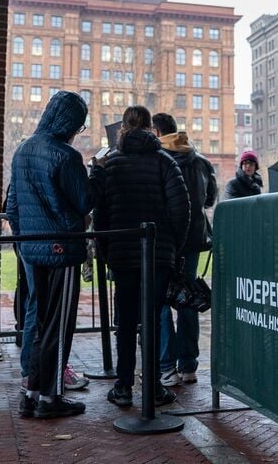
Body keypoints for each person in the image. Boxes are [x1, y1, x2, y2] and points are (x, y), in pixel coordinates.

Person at [5, 91, 96, 419]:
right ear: (70, 122)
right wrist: (95, 174)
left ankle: (31, 394)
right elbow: (85, 202)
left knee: (40, 322)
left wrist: (22, 239)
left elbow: (11, 204)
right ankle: (50, 398)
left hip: (31, 248)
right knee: (59, 326)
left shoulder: (23, 150)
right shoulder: (66, 157)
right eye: (78, 125)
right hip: (62, 249)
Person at [93, 106, 190, 408]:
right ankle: (153, 388)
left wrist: (108, 251)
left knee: (125, 322)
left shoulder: (112, 164)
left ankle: (123, 386)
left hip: (122, 255)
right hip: (158, 255)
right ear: (150, 128)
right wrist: (173, 247)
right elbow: (181, 210)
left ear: (122, 128)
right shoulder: (164, 162)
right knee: (153, 321)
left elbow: (102, 214)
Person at [151, 113, 216, 387]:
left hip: (166, 240)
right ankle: (189, 365)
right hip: (194, 240)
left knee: (162, 299)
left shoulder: (158, 159)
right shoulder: (200, 161)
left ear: (156, 132)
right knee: (188, 298)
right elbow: (210, 198)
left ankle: (166, 366)